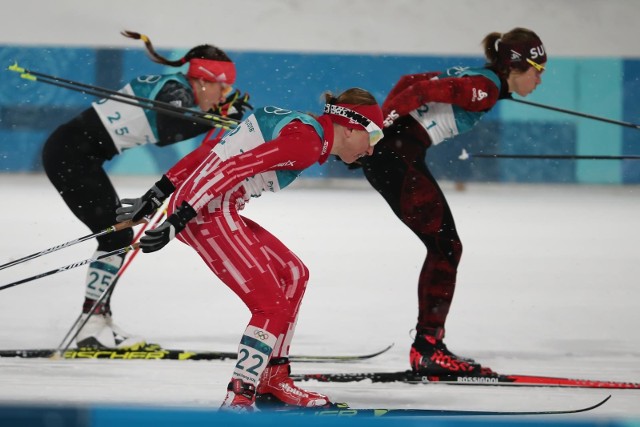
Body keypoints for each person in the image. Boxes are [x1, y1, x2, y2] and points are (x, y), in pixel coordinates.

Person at [115, 88, 384, 410]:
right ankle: (238, 398)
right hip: (206, 212)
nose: (371, 149)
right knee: (271, 307)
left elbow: (215, 150)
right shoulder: (306, 143)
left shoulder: (301, 127)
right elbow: (231, 169)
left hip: (206, 206)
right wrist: (180, 217)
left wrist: (158, 193)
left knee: (294, 274)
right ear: (352, 127)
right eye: (374, 137)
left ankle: (274, 378)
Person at [42, 30, 252, 349]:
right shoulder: (175, 91)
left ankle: (95, 321)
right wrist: (215, 119)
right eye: (222, 88)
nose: (223, 96)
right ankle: (92, 326)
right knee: (117, 236)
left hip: (76, 156)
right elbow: (168, 132)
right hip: (71, 156)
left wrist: (215, 117)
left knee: (117, 235)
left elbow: (179, 125)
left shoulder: (177, 91)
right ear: (204, 80)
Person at [357, 27, 546, 376]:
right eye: (539, 71)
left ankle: (429, 345)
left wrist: (378, 132)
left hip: (396, 156)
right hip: (396, 158)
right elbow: (419, 90)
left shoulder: (484, 82)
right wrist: (377, 131)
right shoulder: (485, 87)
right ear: (518, 67)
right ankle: (428, 349)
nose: (540, 81)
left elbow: (408, 80)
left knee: (445, 246)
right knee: (446, 247)